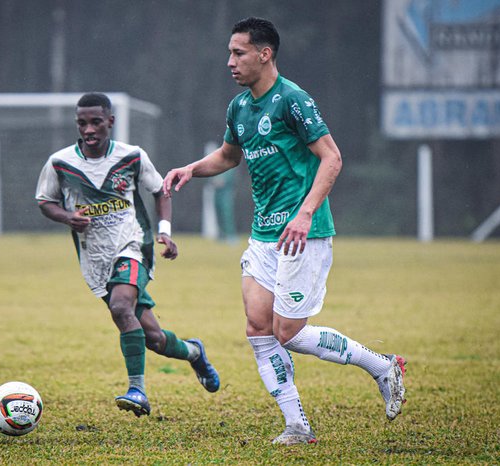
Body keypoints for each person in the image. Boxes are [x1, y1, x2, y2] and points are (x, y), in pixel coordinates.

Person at [163, 18, 406, 445]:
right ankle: (296, 425)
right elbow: (227, 156)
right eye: (229, 53)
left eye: (238, 53)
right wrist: (190, 169)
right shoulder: (239, 107)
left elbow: (332, 158)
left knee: (288, 332)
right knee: (258, 327)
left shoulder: (293, 100)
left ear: (264, 53)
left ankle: (382, 366)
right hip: (263, 236)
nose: (230, 62)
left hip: (304, 234)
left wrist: (305, 213)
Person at [36, 92, 219, 417]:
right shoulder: (60, 162)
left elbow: (160, 190)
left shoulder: (132, 156)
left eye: (95, 122)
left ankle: (137, 390)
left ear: (111, 121)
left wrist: (164, 231)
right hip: (95, 258)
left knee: (122, 307)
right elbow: (45, 202)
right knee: (153, 337)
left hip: (133, 245)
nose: (89, 129)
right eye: (82, 123)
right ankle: (194, 352)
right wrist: (68, 217)